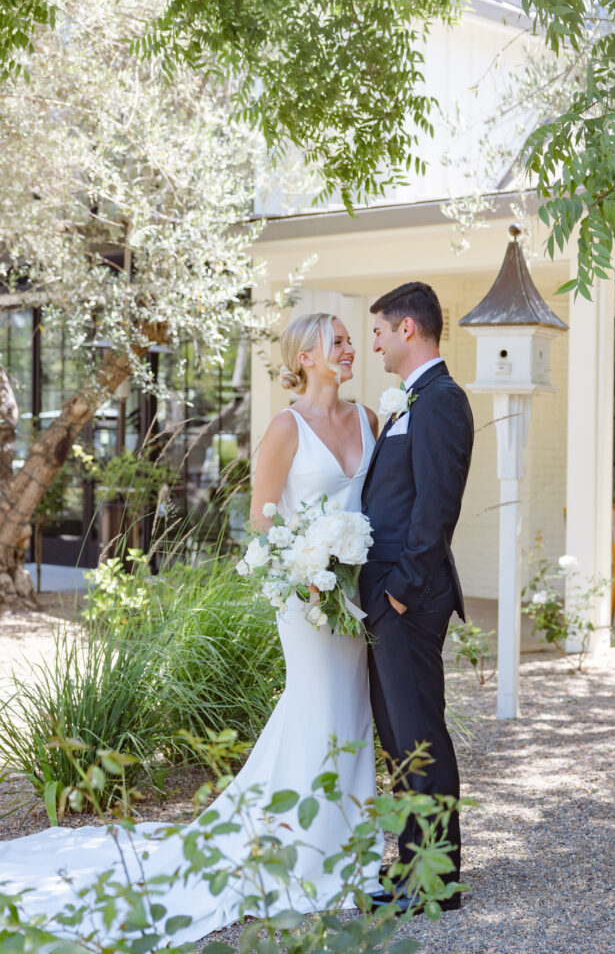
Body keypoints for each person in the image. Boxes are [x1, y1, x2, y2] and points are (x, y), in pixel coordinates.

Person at [0, 312, 382, 944]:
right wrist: (309, 573)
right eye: (337, 342)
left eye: (348, 341)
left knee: (355, 710)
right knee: (319, 707)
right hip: (305, 595)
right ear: (306, 356)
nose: (349, 350)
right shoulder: (286, 429)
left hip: (357, 594)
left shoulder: (369, 419)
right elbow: (262, 525)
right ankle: (303, 858)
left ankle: (355, 852)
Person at [358, 282, 474, 913]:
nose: (372, 343)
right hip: (385, 597)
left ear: (408, 330)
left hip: (408, 597)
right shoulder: (411, 400)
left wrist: (400, 591)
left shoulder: (442, 401)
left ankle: (438, 880)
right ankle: (411, 868)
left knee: (421, 736)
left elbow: (437, 507)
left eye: (378, 331)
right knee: (400, 741)